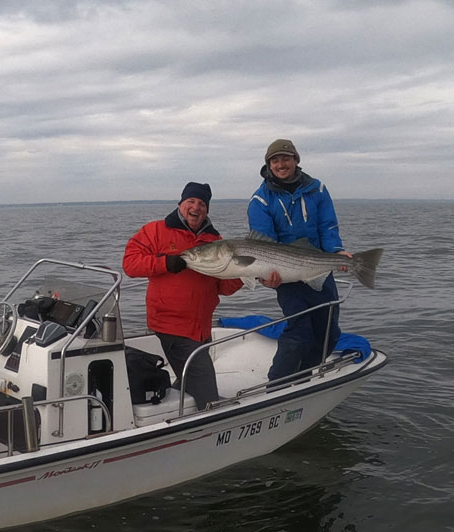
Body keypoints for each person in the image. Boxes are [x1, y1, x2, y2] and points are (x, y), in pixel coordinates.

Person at [123, 182, 243, 409]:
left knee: (193, 376)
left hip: (201, 328)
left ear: (207, 209)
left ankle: (173, 404)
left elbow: (224, 287)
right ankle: (209, 430)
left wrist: (248, 274)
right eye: (191, 201)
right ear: (181, 203)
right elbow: (130, 264)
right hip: (171, 326)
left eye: (202, 204)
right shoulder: (155, 231)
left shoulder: (215, 240)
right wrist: (165, 262)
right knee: (208, 396)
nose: (196, 207)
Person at [247, 139, 352, 383]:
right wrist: (266, 276)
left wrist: (336, 251)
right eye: (275, 160)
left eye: (286, 158)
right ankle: (278, 385)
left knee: (329, 332)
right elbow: (264, 246)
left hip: (317, 268)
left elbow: (327, 225)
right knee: (299, 331)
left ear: (296, 160)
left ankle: (303, 378)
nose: (281, 164)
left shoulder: (317, 189)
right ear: (268, 164)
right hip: (287, 275)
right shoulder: (260, 200)